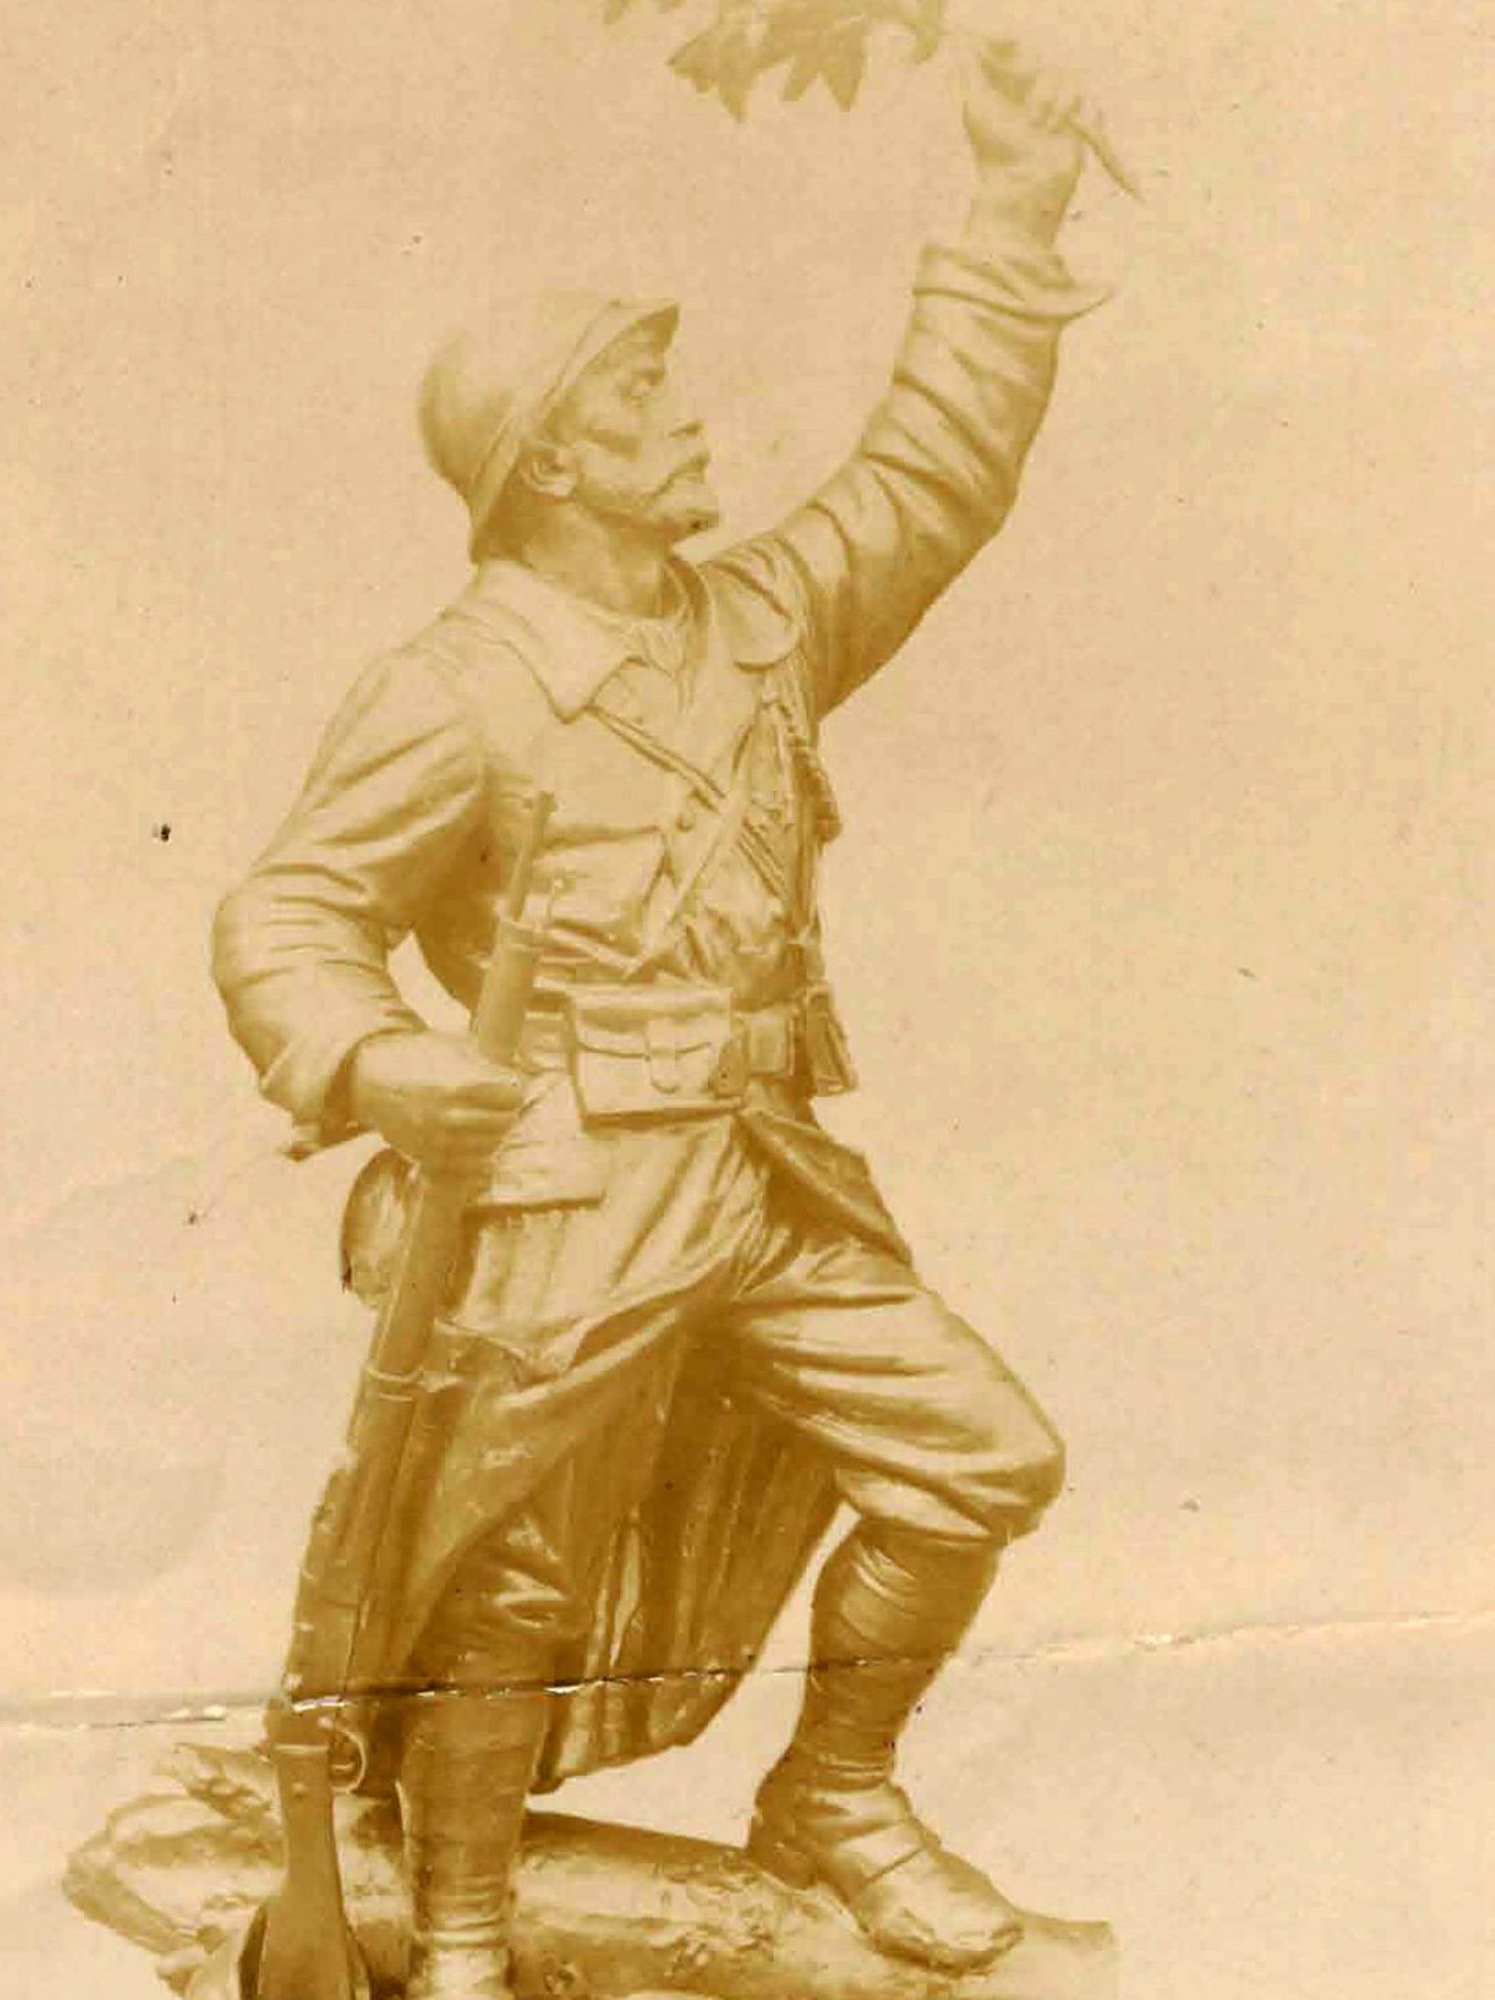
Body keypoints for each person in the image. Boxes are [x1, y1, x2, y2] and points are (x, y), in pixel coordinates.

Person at [213, 46, 1100, 2000]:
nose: (686, 422)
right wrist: (381, 1060)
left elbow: (929, 475)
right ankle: (460, 1930)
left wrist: (1012, 210)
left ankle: (833, 1796)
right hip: (560, 1196)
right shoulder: (457, 688)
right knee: (503, 1566)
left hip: (763, 1169)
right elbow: (289, 908)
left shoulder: (761, 619)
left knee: (977, 1458)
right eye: (638, 401)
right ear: (549, 460)